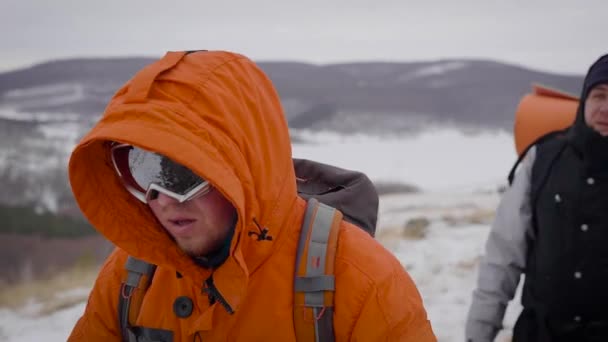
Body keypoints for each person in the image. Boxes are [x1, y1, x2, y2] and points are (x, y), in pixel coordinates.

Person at [67, 50, 436, 341]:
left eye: (181, 173)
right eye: (143, 170)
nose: (161, 199)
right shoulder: (132, 278)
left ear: (243, 171)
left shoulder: (361, 281)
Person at [466, 53, 608, 342]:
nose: (606, 109)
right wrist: (478, 335)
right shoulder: (543, 159)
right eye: (599, 96)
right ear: (584, 101)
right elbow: (503, 255)